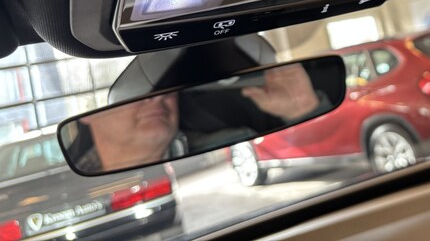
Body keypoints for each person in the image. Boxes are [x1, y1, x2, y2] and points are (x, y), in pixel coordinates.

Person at [66, 62, 324, 174]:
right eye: (131, 91)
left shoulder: (235, 137)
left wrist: (302, 108)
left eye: (166, 88)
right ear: (86, 115)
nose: (159, 97)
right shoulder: (74, 185)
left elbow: (313, 154)